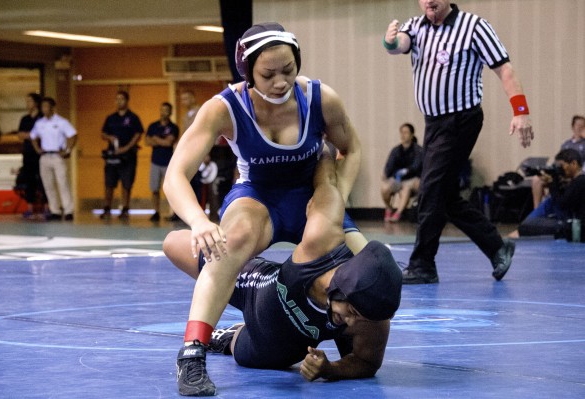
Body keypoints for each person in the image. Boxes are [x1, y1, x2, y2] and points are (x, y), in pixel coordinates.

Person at [163, 22, 361, 396]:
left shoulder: (320, 98)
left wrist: (337, 195)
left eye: (289, 70)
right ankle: (192, 354)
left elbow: (352, 149)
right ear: (247, 72)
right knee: (229, 242)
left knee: (365, 266)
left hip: (311, 197)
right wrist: (199, 220)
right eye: (268, 74)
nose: (281, 82)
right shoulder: (225, 107)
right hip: (258, 196)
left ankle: (355, 354)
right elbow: (175, 175)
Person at [164, 152, 399, 392]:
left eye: (358, 318)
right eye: (351, 311)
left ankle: (230, 337)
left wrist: (331, 369)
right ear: (342, 283)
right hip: (260, 285)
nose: (350, 321)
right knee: (172, 243)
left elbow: (367, 363)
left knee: (243, 352)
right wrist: (324, 152)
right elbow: (326, 183)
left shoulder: (373, 319)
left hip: (270, 347)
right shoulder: (322, 241)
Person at [384, 0, 534, 284]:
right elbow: (399, 45)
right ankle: (497, 247)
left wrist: (521, 112)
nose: (429, 1)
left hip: (460, 120)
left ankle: (423, 265)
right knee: (446, 196)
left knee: (429, 190)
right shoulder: (414, 27)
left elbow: (505, 69)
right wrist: (389, 41)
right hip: (434, 123)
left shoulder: (474, 27)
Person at [510, 149, 585, 239]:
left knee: (525, 228)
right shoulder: (576, 181)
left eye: (562, 166)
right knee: (526, 226)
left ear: (573, 164)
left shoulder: (580, 181)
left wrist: (552, 184)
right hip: (571, 224)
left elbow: (562, 203)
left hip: (573, 227)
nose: (561, 169)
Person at [28, 97, 77, 221]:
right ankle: (54, 210)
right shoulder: (39, 123)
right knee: (48, 184)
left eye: (46, 106)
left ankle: (68, 210)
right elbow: (32, 136)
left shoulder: (61, 122)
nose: (44, 109)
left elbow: (73, 135)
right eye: (42, 107)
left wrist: (68, 150)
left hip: (57, 155)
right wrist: (37, 149)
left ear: (52, 108)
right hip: (44, 156)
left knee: (62, 183)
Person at [100, 90, 144, 221]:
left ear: (127, 101)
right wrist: (110, 137)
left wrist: (126, 147)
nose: (119, 101)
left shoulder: (133, 118)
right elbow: (103, 134)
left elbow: (138, 134)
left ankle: (125, 208)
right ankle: (107, 208)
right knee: (109, 183)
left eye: (122, 99)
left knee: (126, 183)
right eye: (117, 99)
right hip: (113, 155)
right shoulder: (111, 118)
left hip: (128, 156)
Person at [531, 115, 585, 209]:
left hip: (575, 174)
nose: (580, 127)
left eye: (583, 125)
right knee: (536, 180)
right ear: (573, 127)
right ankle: (536, 208)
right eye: (578, 125)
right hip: (562, 172)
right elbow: (559, 159)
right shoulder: (566, 144)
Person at [381, 123, 423, 222]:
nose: (403, 135)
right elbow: (389, 166)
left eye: (406, 132)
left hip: (411, 179)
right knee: (385, 188)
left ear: (412, 135)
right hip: (397, 179)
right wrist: (387, 175)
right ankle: (389, 207)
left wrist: (405, 172)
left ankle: (398, 213)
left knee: (406, 188)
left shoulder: (418, 150)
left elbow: (416, 167)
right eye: (401, 132)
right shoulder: (396, 150)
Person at [145, 102, 179, 222]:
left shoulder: (174, 127)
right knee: (154, 188)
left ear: (170, 112)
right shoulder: (153, 126)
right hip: (155, 161)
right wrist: (160, 141)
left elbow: (168, 143)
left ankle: (174, 212)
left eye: (166, 110)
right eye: (162, 109)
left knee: (170, 189)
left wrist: (155, 139)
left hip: (168, 162)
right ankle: (156, 211)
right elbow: (147, 141)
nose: (163, 112)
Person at [16, 92, 47, 220]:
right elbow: (20, 135)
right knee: (29, 181)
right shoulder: (25, 119)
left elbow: (42, 134)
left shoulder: (42, 118)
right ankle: (29, 208)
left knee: (43, 179)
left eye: (29, 101)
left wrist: (30, 135)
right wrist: (32, 134)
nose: (27, 104)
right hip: (28, 153)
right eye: (26, 101)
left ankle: (46, 207)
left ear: (36, 103)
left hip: (40, 153)